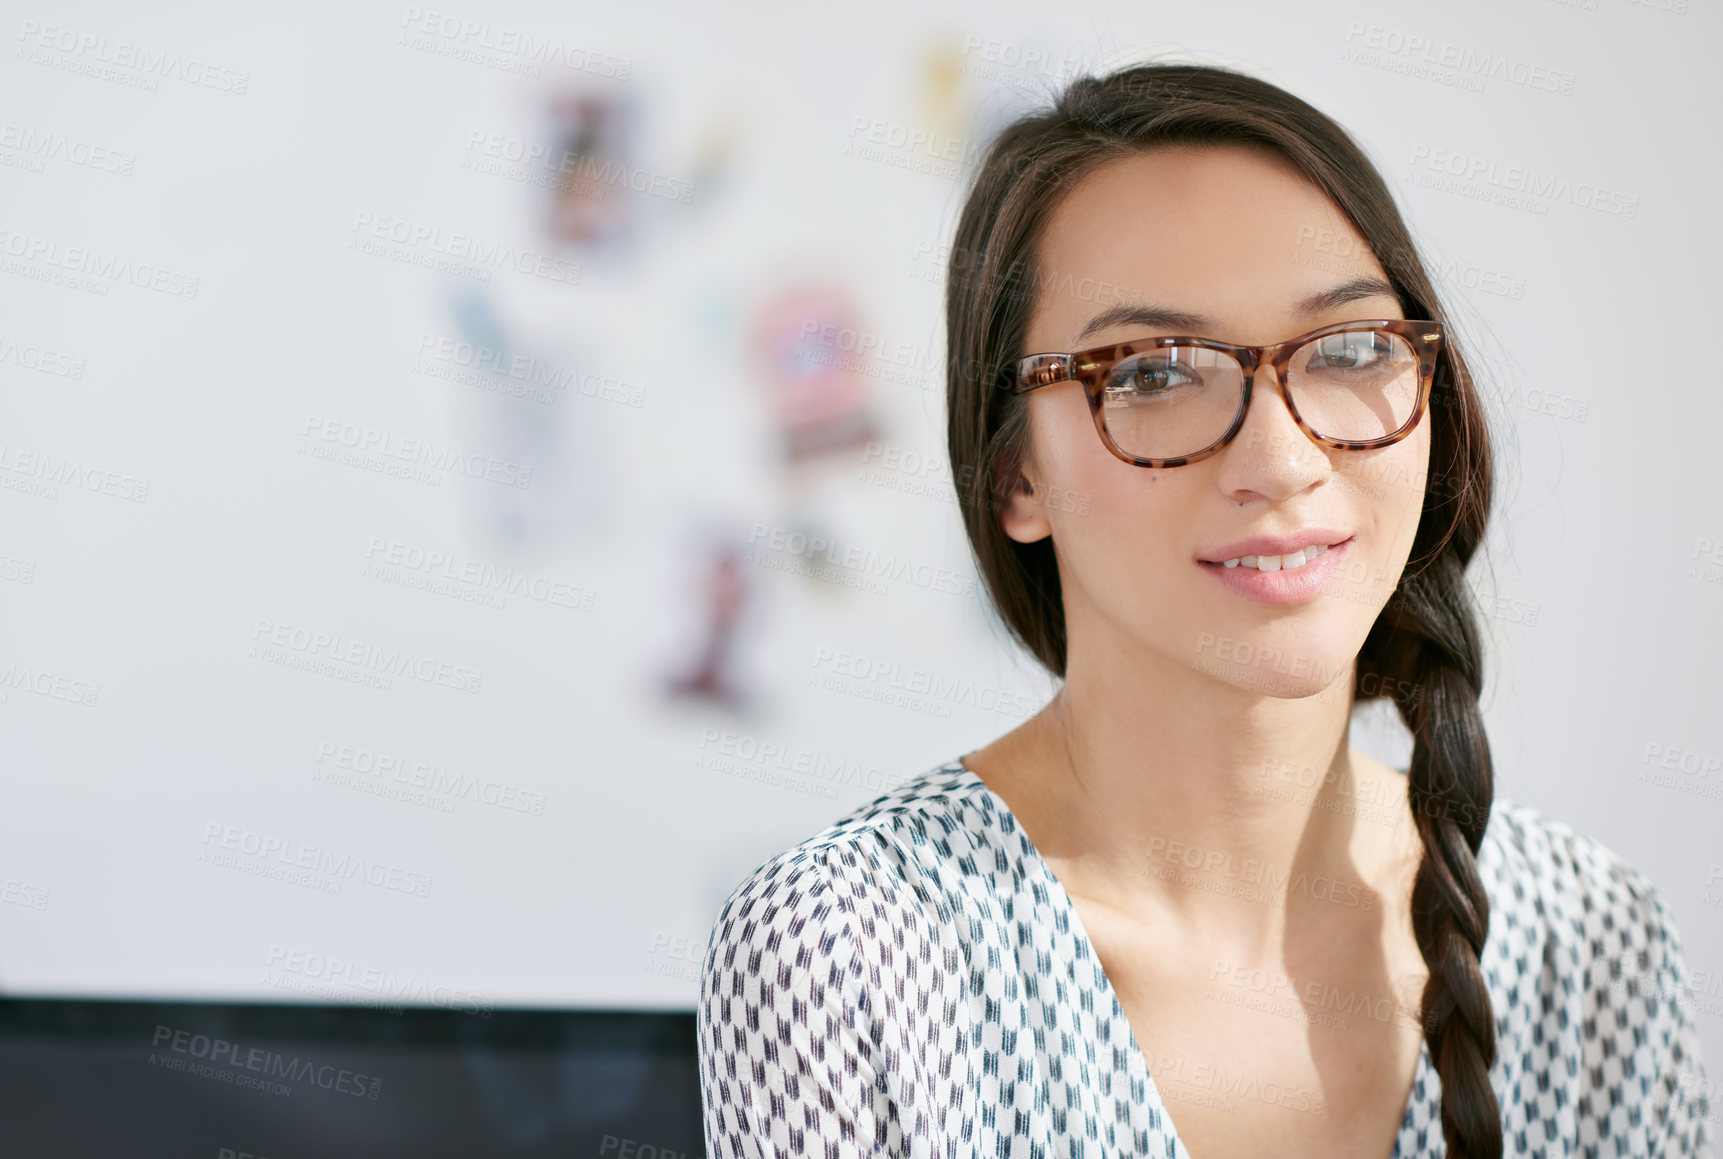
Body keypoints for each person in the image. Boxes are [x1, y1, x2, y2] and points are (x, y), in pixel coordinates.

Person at [696, 62, 1713, 1158]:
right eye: (1151, 372)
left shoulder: (1589, 940)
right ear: (1013, 477)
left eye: (1354, 347)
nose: (1278, 460)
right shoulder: (852, 951)